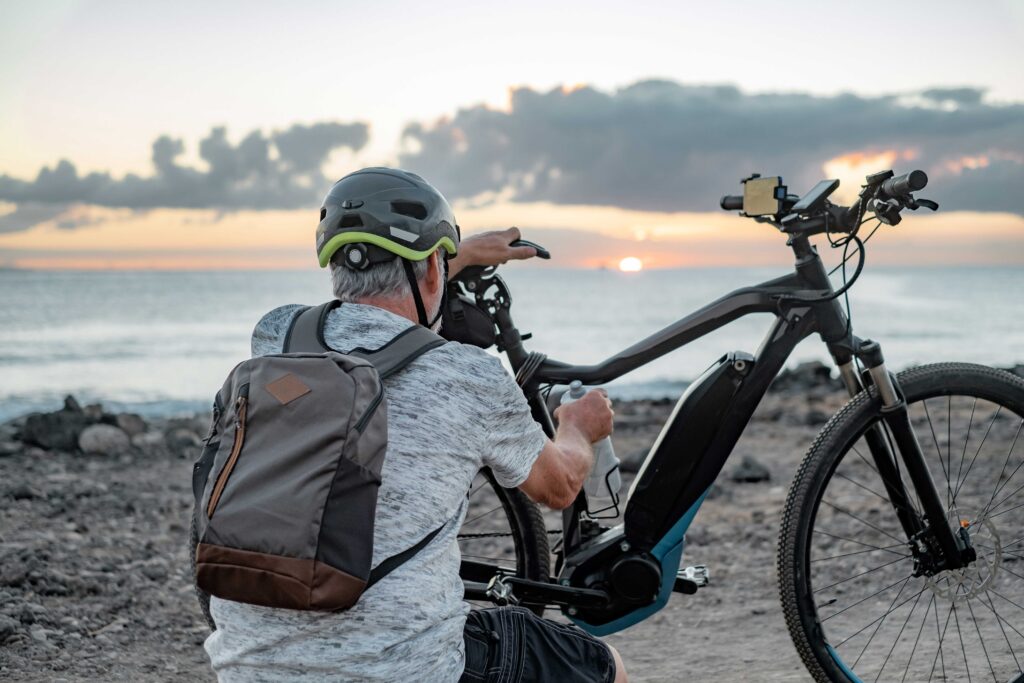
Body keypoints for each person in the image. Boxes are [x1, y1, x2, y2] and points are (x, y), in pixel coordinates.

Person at [203, 167, 627, 683]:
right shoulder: (467, 375)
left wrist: (448, 255)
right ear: (432, 270)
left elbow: (371, 295)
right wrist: (579, 428)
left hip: (245, 668)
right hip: (411, 670)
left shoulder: (275, 337)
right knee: (605, 666)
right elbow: (558, 487)